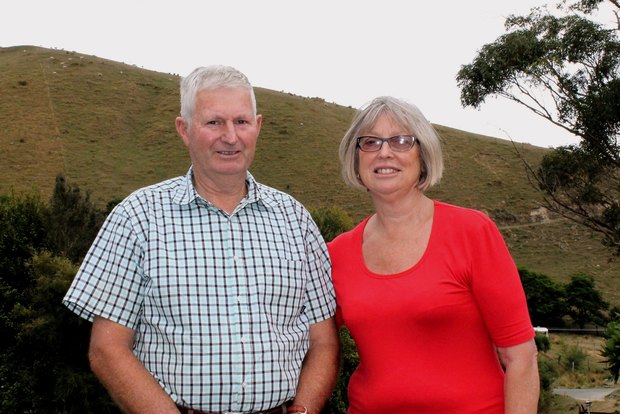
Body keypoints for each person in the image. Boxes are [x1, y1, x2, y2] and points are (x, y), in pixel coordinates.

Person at [63, 65, 339, 414]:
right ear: (184, 129)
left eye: (241, 121)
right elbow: (107, 349)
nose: (230, 136)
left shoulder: (294, 219)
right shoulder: (137, 217)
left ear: (258, 126)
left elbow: (324, 341)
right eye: (213, 122)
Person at [328, 96, 540, 413]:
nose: (384, 152)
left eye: (400, 141)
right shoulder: (336, 253)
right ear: (356, 159)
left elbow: (521, 357)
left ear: (423, 156)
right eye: (370, 142)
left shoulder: (472, 232)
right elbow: (315, 343)